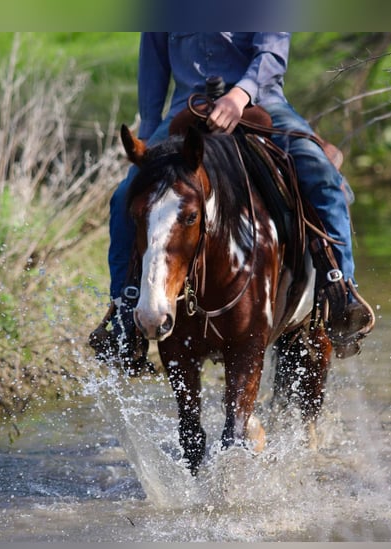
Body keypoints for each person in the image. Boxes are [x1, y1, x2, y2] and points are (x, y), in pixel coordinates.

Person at [89, 32, 374, 371]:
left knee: (322, 177)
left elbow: (272, 51)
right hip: (185, 107)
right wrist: (150, 130)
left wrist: (239, 95)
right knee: (125, 197)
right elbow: (153, 65)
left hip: (261, 103)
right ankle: (125, 311)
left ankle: (340, 290)